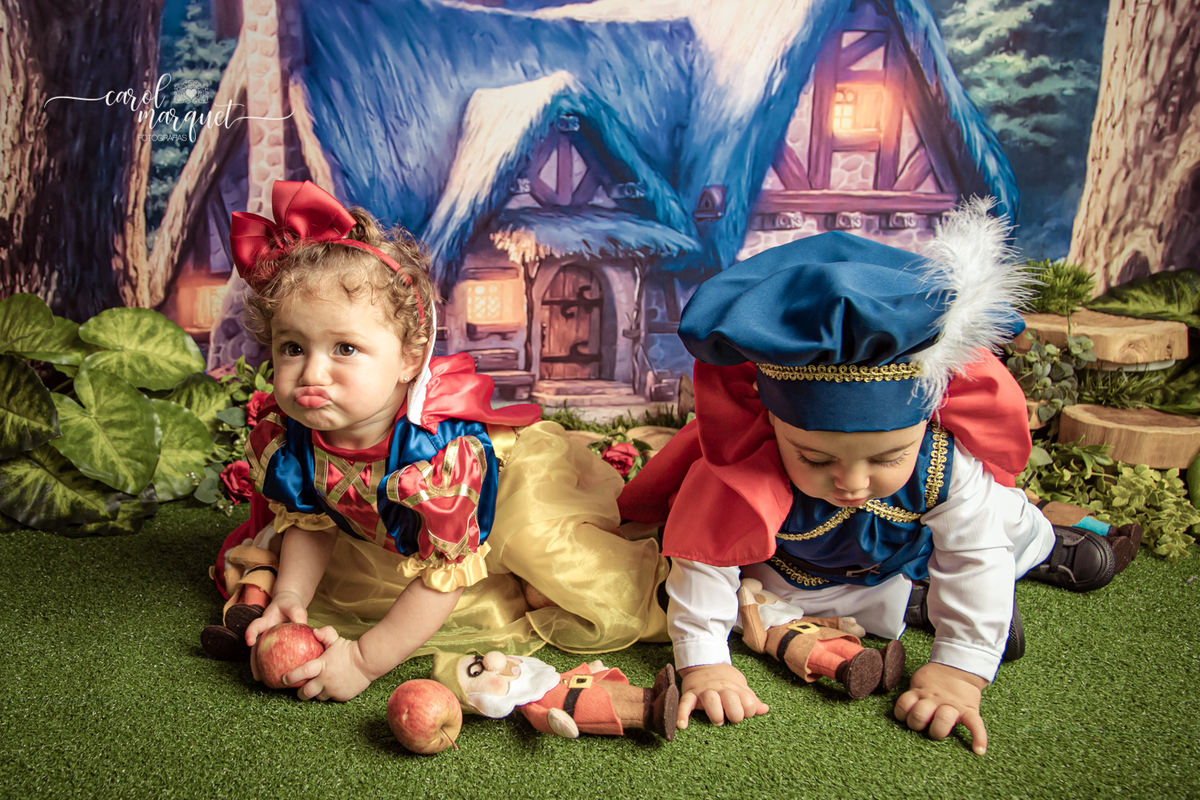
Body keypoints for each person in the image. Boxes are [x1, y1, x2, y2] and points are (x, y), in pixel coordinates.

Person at [618, 200, 1140, 754]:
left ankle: (1041, 548)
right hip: (812, 567)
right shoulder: (745, 467)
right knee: (773, 593)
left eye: (887, 457)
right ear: (772, 423)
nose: (852, 481)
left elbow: (973, 554)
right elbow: (706, 560)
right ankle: (916, 601)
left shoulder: (944, 461)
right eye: (816, 458)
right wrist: (705, 664)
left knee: (998, 523)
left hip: (916, 541)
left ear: (927, 424)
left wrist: (960, 670)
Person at [202, 180, 669, 701]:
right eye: (292, 346)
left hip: (491, 508)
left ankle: (529, 575)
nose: (312, 372)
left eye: (345, 348)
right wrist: (290, 593)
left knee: (544, 562)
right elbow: (316, 518)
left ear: (408, 359)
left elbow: (445, 571)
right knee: (327, 568)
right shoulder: (294, 439)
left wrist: (362, 659)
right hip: (389, 528)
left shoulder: (436, 456)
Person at [431, 651, 679, 741]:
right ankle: (652, 715)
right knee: (609, 705)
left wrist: (589, 670)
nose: (491, 661)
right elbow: (544, 718)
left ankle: (650, 694)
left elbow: (561, 676)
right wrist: (558, 722)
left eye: (478, 660)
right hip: (577, 706)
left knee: (613, 689)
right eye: (477, 672)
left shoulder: (541, 678)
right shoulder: (530, 704)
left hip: (579, 682)